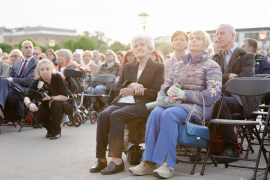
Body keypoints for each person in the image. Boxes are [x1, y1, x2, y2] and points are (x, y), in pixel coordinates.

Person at [129, 30, 221, 179]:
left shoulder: (212, 66)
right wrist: (168, 89)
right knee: (155, 113)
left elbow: (213, 94)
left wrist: (186, 95)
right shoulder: (179, 65)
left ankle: (167, 163)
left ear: (205, 45)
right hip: (175, 105)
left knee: (168, 114)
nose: (193, 40)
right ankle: (148, 161)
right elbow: (165, 84)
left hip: (198, 108)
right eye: (191, 38)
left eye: (198, 39)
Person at [89, 33, 164, 175]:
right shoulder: (128, 66)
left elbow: (156, 91)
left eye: (142, 45)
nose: (139, 47)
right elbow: (117, 89)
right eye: (136, 46)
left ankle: (116, 160)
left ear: (150, 48)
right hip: (122, 102)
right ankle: (101, 159)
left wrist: (136, 91)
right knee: (104, 115)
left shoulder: (158, 67)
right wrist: (131, 84)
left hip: (142, 105)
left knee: (116, 116)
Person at [212, 24, 255, 160]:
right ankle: (201, 145)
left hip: (241, 99)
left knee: (219, 101)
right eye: (217, 34)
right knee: (204, 100)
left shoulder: (246, 56)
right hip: (219, 97)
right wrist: (229, 76)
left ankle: (231, 148)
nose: (218, 37)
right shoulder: (215, 58)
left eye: (222, 33)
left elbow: (243, 81)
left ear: (232, 35)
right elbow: (211, 79)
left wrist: (221, 79)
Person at [24, 59, 69, 140]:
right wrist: (29, 104)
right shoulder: (37, 82)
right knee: (39, 111)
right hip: (45, 104)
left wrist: (51, 98)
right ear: (38, 72)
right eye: (42, 69)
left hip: (59, 102)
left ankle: (56, 131)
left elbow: (65, 96)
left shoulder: (57, 78)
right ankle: (50, 130)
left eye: (47, 69)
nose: (45, 71)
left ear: (51, 70)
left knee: (55, 104)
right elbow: (27, 96)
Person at [0, 41, 38, 121]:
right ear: (22, 50)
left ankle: (0, 109)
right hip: (13, 92)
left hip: (24, 92)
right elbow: (8, 79)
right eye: (26, 47)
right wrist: (10, 79)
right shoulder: (16, 64)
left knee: (4, 82)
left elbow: (30, 81)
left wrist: (13, 80)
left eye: (30, 47)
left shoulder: (36, 63)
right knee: (3, 81)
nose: (29, 49)